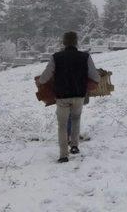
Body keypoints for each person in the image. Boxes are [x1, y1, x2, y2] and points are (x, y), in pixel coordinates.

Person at [38, 31, 100, 163]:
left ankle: (63, 155)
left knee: (62, 124)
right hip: (79, 95)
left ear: (64, 42)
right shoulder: (85, 57)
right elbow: (95, 77)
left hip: (62, 96)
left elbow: (43, 79)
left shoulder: (56, 57)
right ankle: (75, 146)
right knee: (76, 119)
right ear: (76, 42)